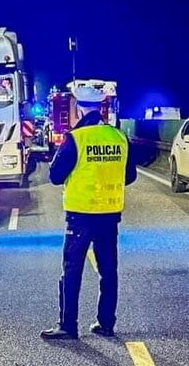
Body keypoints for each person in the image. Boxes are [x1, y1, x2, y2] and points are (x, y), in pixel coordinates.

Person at [41, 86, 136, 339]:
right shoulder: (119, 137)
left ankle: (68, 325)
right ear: (102, 108)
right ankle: (106, 323)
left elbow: (55, 175)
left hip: (80, 215)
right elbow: (130, 176)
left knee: (72, 270)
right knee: (108, 270)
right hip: (109, 215)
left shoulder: (76, 138)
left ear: (78, 108)